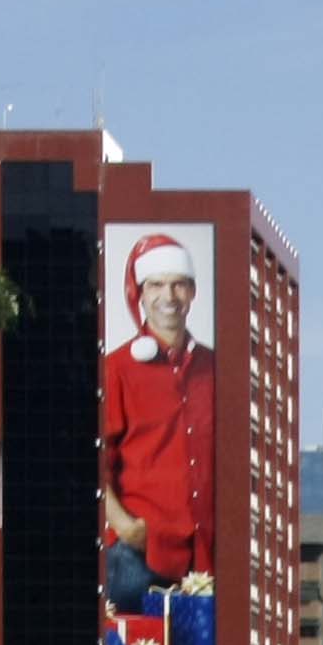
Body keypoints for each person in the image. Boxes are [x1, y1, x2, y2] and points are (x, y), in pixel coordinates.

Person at [101, 234, 216, 614]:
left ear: (192, 292)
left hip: (205, 560)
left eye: (178, 284)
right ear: (140, 293)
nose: (169, 296)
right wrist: (126, 527)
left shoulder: (216, 369)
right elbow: (96, 461)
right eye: (156, 285)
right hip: (139, 556)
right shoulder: (117, 368)